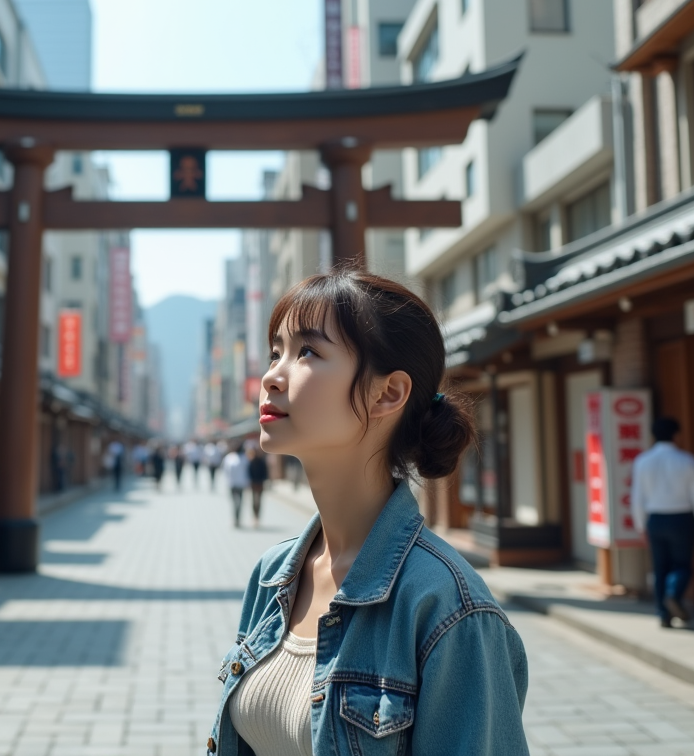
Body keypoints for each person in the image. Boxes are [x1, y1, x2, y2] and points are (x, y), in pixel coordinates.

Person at [208, 267, 528, 756]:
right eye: (276, 352)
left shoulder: (446, 606)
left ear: (388, 393)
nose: (271, 376)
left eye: (307, 352)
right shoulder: (272, 575)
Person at [631, 416, 694, 627]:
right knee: (682, 564)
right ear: (676, 435)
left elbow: (637, 497)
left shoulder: (642, 461)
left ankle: (663, 613)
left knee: (660, 567)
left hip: (655, 519)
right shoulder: (687, 460)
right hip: (682, 518)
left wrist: (640, 525)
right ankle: (674, 594)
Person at [223, 443, 249, 527]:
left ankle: (238, 519)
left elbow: (247, 471)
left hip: (241, 483)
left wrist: (247, 482)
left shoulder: (244, 458)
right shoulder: (229, 458)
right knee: (234, 502)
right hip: (232, 483)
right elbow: (225, 470)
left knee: (239, 503)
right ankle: (235, 518)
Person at [246, 444, 268, 528]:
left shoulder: (261, 462)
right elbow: (248, 473)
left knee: (258, 501)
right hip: (253, 484)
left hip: (260, 484)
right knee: (253, 501)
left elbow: (265, 473)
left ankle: (257, 516)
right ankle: (254, 516)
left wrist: (262, 481)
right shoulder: (251, 462)